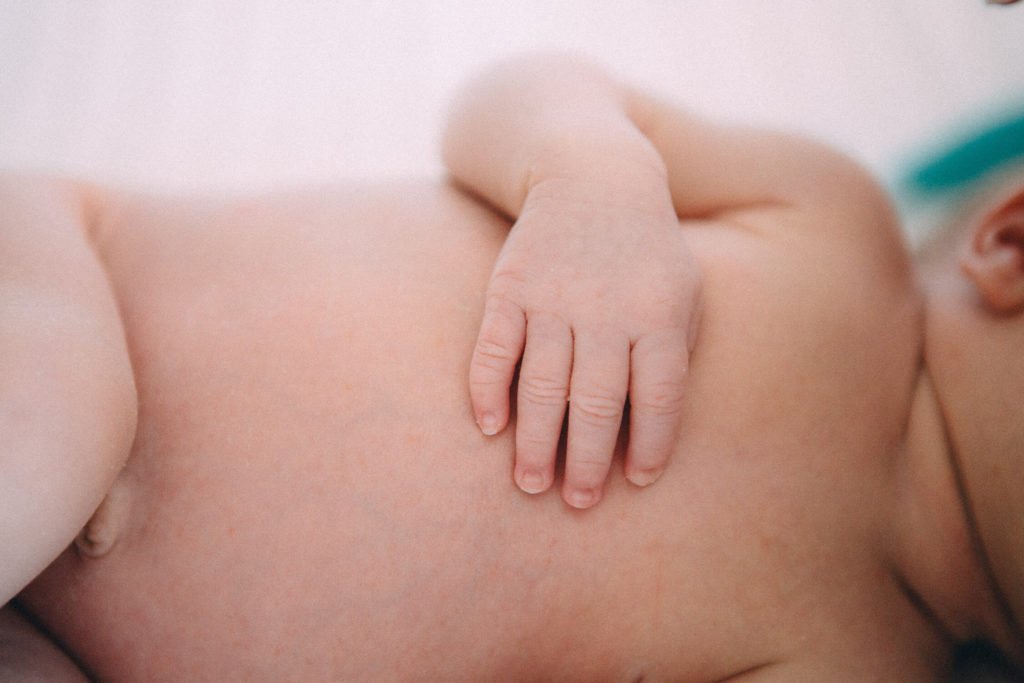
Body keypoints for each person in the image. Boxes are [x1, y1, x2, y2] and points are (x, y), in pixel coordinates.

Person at [3, 53, 1024, 680]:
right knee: (59, 434)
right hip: (71, 281)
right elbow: (521, 89)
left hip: (76, 653)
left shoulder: (861, 659)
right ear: (1012, 245)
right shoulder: (830, 223)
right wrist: (591, 175)